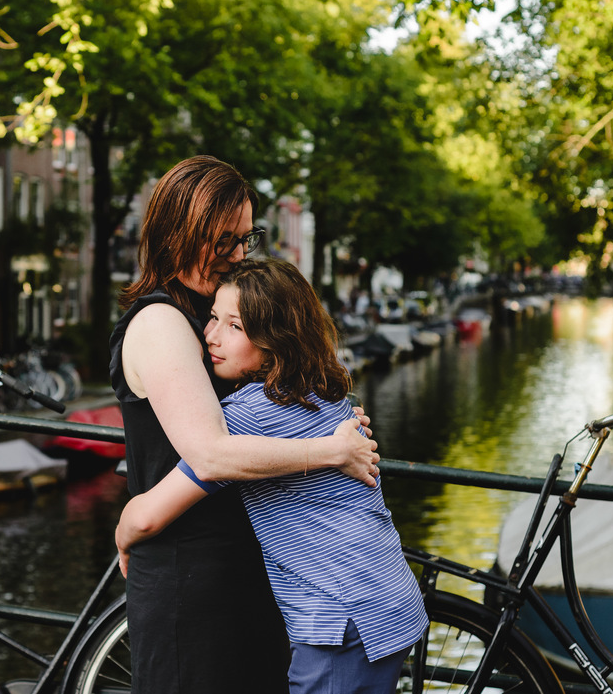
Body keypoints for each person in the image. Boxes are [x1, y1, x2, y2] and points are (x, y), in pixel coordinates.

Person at [110, 156, 380, 694]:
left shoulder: (223, 313)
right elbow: (210, 454)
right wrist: (330, 450)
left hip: (251, 572)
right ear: (177, 234)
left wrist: (329, 421)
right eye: (222, 241)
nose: (237, 255)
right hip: (192, 581)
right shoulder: (161, 322)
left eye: (245, 239)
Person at [116, 257, 426, 694]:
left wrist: (125, 530)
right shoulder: (325, 394)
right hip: (383, 603)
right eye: (212, 319)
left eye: (235, 327)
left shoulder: (246, 419)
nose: (212, 336)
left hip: (340, 621)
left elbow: (152, 513)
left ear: (275, 340)